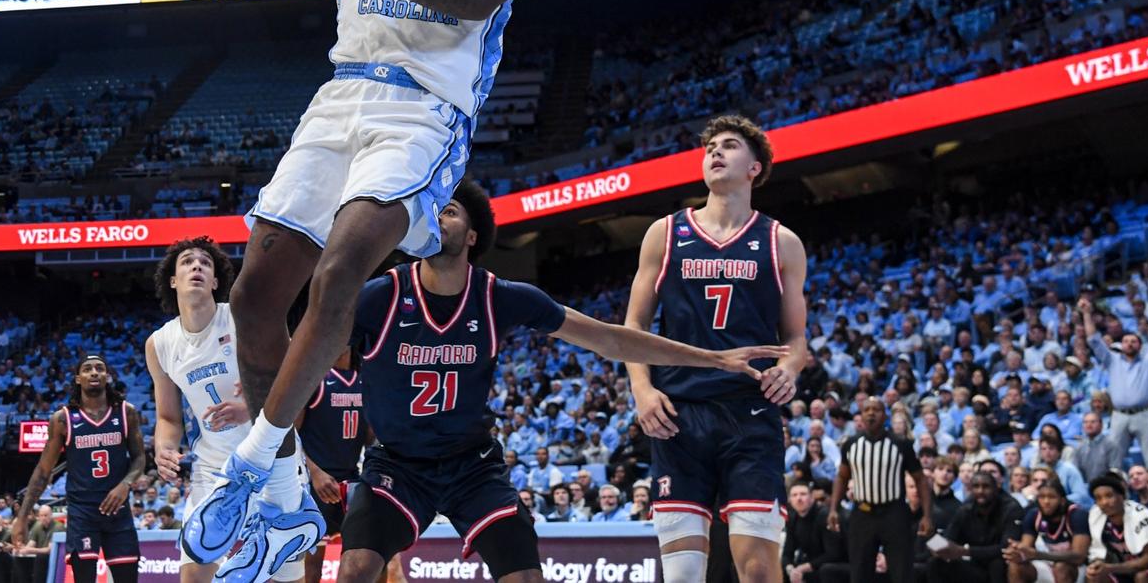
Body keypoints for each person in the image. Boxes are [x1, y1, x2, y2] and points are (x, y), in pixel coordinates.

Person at [132, 0, 532, 575]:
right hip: (338, 100)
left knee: (345, 265)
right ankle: (281, 509)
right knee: (257, 289)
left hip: (420, 113)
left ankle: (246, 470)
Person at [328, 181, 784, 583]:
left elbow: (608, 339)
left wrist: (712, 359)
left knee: (525, 576)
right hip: (398, 465)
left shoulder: (500, 297)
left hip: (470, 465)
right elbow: (314, 356)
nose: (436, 217)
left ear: (472, 236)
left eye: (448, 210)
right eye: (432, 211)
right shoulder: (381, 296)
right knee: (355, 568)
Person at [623, 116, 810, 583]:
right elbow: (634, 326)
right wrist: (642, 391)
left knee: (760, 571)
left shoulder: (780, 242)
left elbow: (797, 338)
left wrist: (790, 367)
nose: (715, 153)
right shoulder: (665, 234)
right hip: (678, 416)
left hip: (749, 412)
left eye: (729, 146)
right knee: (684, 573)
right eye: (710, 148)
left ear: (755, 168)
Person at [142, 238, 295, 583]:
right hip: (214, 468)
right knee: (194, 574)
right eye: (187, 262)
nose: (196, 266)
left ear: (215, 282)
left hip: (271, 458)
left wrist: (251, 407)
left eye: (205, 264)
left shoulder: (244, 319)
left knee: (280, 578)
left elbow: (294, 379)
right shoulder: (159, 344)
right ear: (172, 280)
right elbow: (168, 417)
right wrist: (164, 447)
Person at [12, 355, 145, 583]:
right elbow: (43, 471)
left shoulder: (126, 412)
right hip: (82, 513)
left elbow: (140, 457)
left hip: (118, 511)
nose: (94, 372)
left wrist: (125, 484)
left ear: (107, 376)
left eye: (100, 368)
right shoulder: (63, 419)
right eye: (87, 369)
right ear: (77, 379)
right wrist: (22, 518)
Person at [828, 397, 934, 582]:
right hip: (862, 514)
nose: (871, 413)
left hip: (894, 513)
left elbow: (920, 480)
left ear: (885, 415)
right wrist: (833, 509)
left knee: (902, 572)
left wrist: (927, 514)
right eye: (866, 409)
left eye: (876, 409)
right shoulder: (851, 444)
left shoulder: (901, 444)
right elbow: (842, 477)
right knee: (860, 573)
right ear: (860, 415)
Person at [298, 351, 369, 583]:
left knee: (364, 559)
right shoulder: (313, 379)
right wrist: (315, 473)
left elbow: (369, 438)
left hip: (351, 481)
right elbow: (290, 436)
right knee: (311, 565)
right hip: (314, 483)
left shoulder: (364, 381)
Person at [1079, 295, 1148, 470]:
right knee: (1114, 462)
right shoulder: (1112, 361)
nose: (1129, 344)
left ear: (1140, 346)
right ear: (1121, 345)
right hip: (1119, 415)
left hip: (1146, 414)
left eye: (1133, 341)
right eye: (1126, 341)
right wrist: (1086, 314)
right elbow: (1093, 340)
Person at [928, 472, 1022, 583]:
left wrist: (965, 551)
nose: (980, 491)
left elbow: (1006, 548)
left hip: (1000, 564)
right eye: (976, 487)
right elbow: (950, 536)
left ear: (996, 488)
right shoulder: (965, 509)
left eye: (986, 487)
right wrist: (936, 546)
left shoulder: (1011, 509)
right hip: (974, 564)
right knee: (935, 562)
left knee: (997, 564)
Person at [1004, 479, 1089, 583]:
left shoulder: (1076, 515)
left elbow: (1079, 556)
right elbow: (1026, 548)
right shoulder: (1034, 515)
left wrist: (1039, 555)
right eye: (1042, 497)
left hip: (1075, 569)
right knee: (1015, 566)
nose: (1046, 501)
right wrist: (1018, 551)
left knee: (1061, 567)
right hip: (1046, 565)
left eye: (1051, 497)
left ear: (1062, 500)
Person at [1085, 474, 1148, 582]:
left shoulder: (1141, 515)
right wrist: (1096, 565)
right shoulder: (1095, 515)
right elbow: (1098, 552)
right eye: (1098, 498)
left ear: (1122, 496)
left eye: (1109, 496)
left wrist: (1111, 568)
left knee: (1141, 576)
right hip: (1119, 569)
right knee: (1093, 576)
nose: (1104, 502)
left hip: (1146, 569)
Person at [782, 483, 833, 583]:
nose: (799, 498)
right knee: (782, 568)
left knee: (826, 570)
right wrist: (791, 570)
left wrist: (803, 568)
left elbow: (833, 554)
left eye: (803, 494)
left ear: (812, 498)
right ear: (790, 500)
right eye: (794, 495)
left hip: (829, 563)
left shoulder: (824, 515)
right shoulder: (793, 518)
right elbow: (787, 553)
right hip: (809, 562)